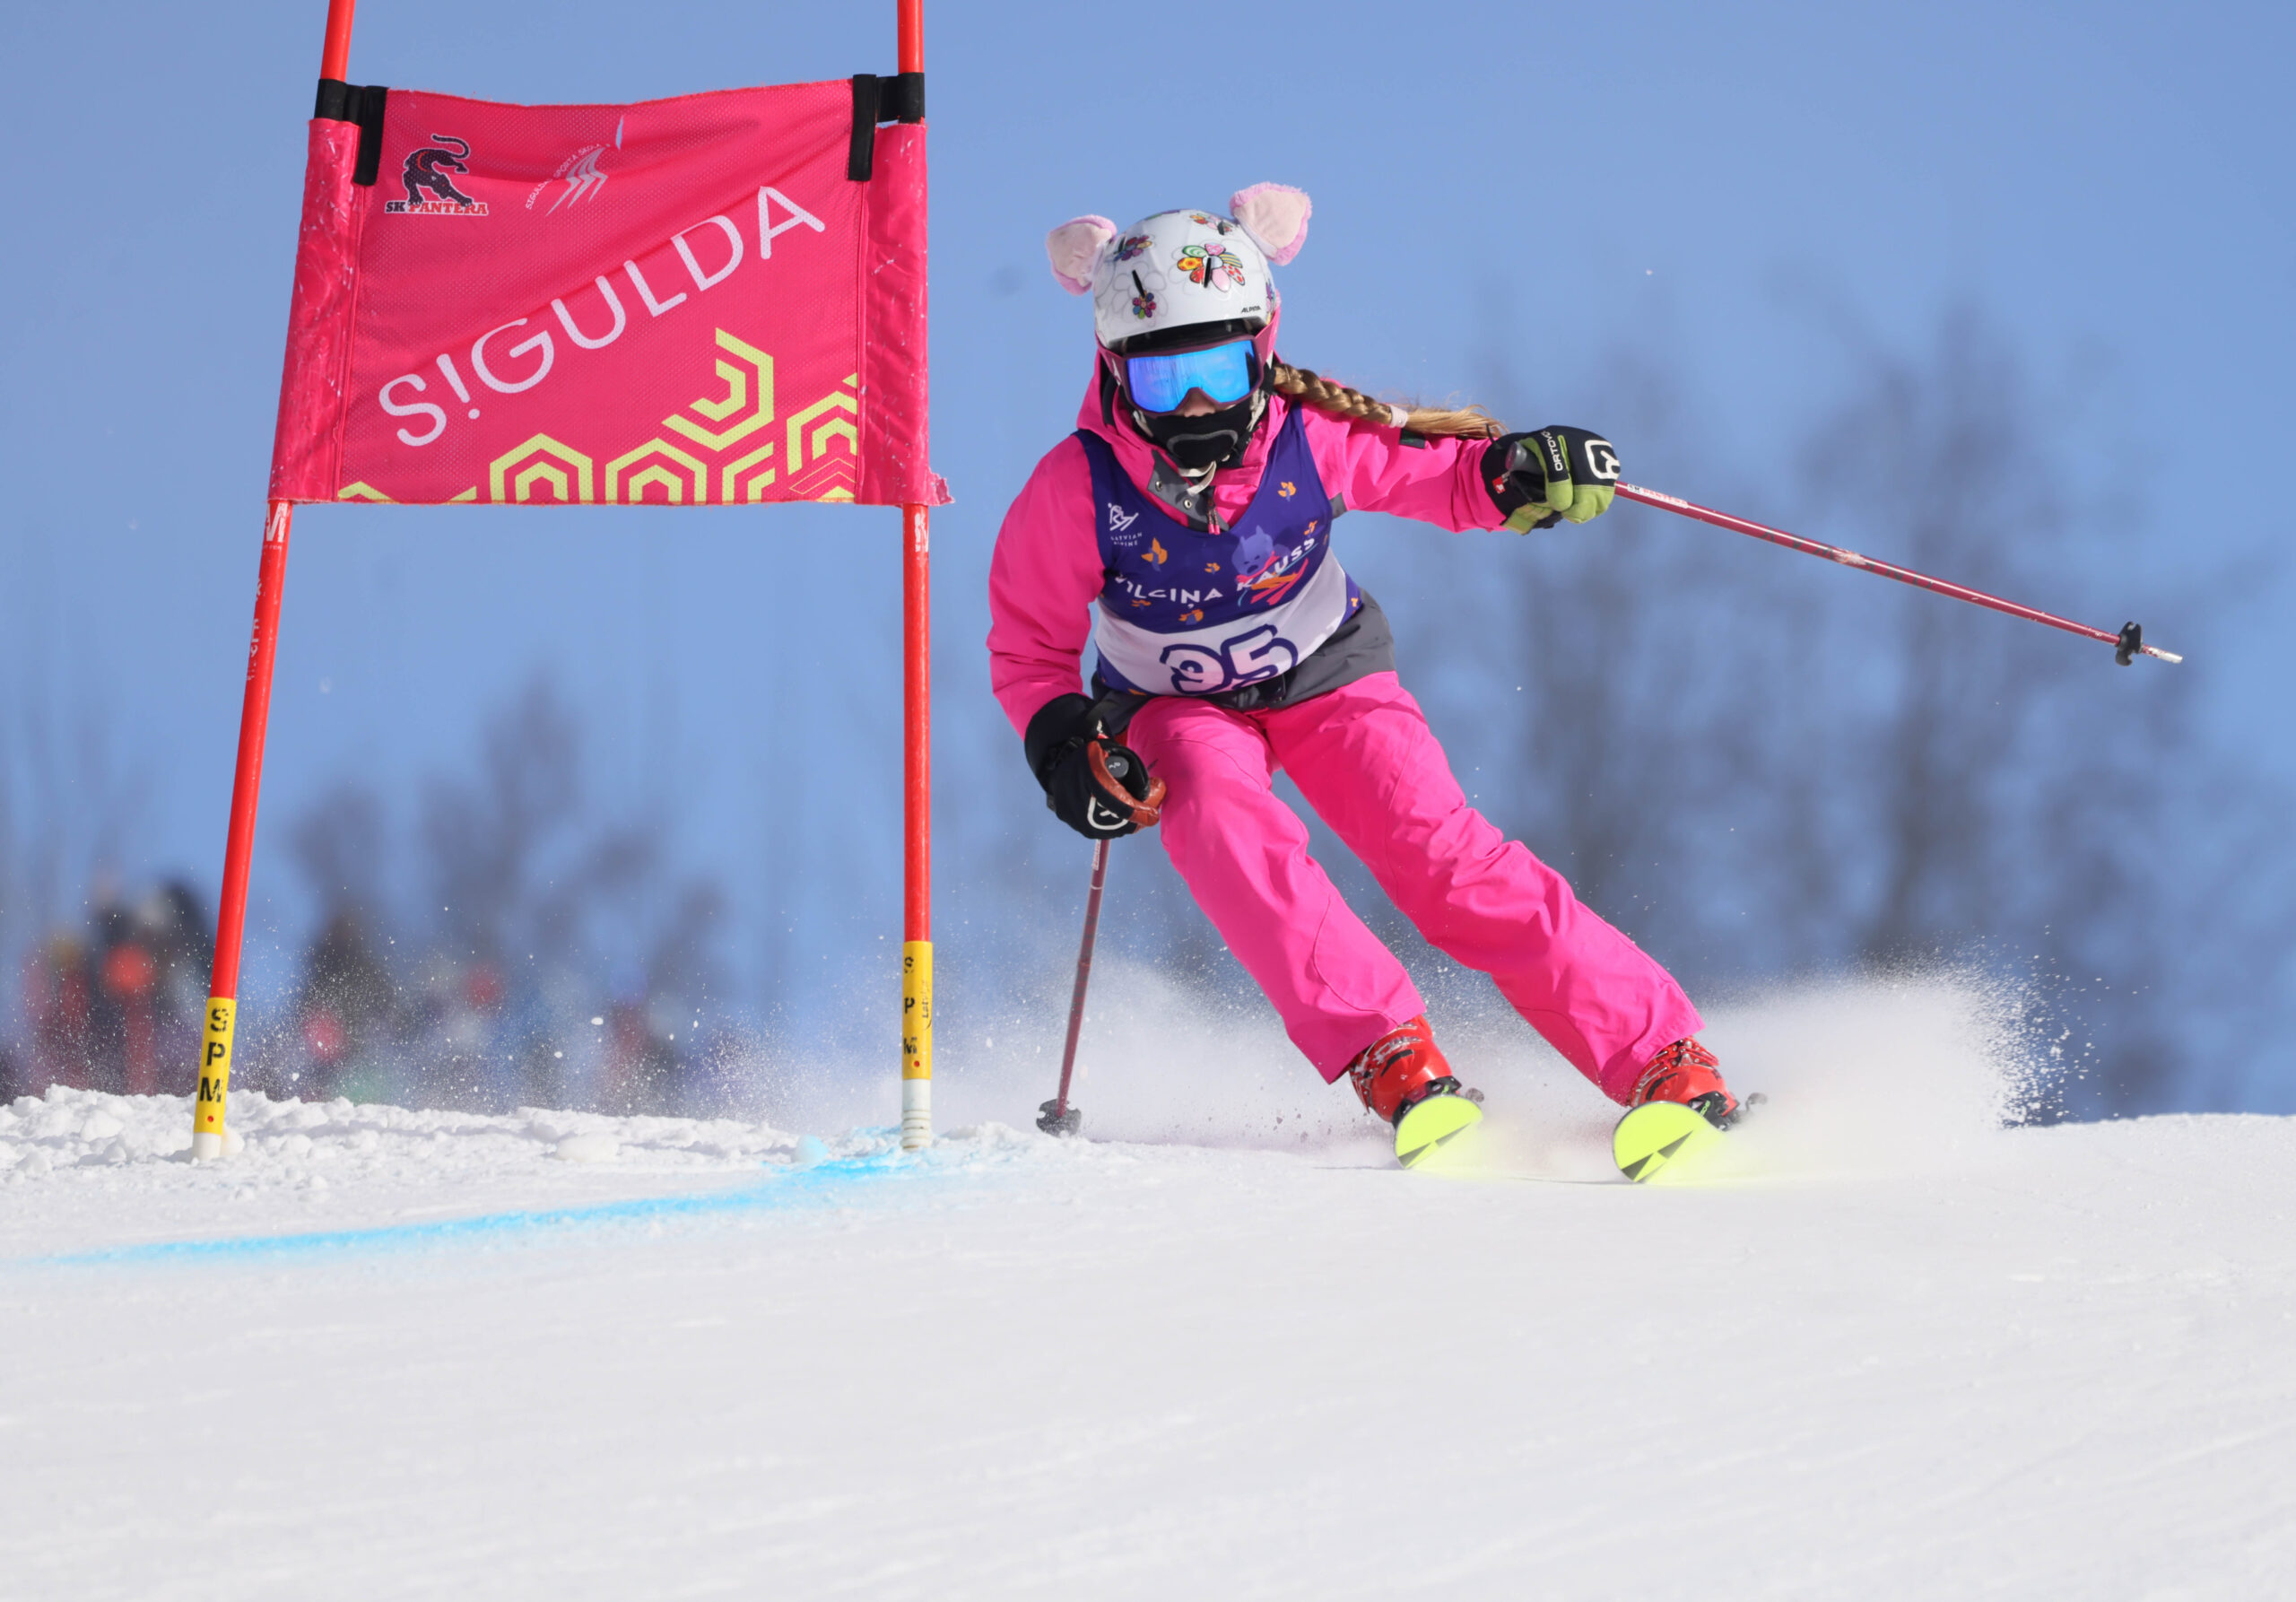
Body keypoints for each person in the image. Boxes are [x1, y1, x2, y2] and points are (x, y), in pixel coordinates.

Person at [987, 186, 1740, 1153]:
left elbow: (1442, 476)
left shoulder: (1308, 433)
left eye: (1217, 370)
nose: (1199, 405)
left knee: (1441, 857)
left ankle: (1661, 1057)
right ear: (1115, 370)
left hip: (1326, 675)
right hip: (1173, 705)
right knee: (1220, 825)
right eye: (1167, 382)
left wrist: (1518, 473)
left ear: (1261, 348)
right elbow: (1030, 647)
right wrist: (1061, 745)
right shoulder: (1078, 489)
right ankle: (1390, 1054)